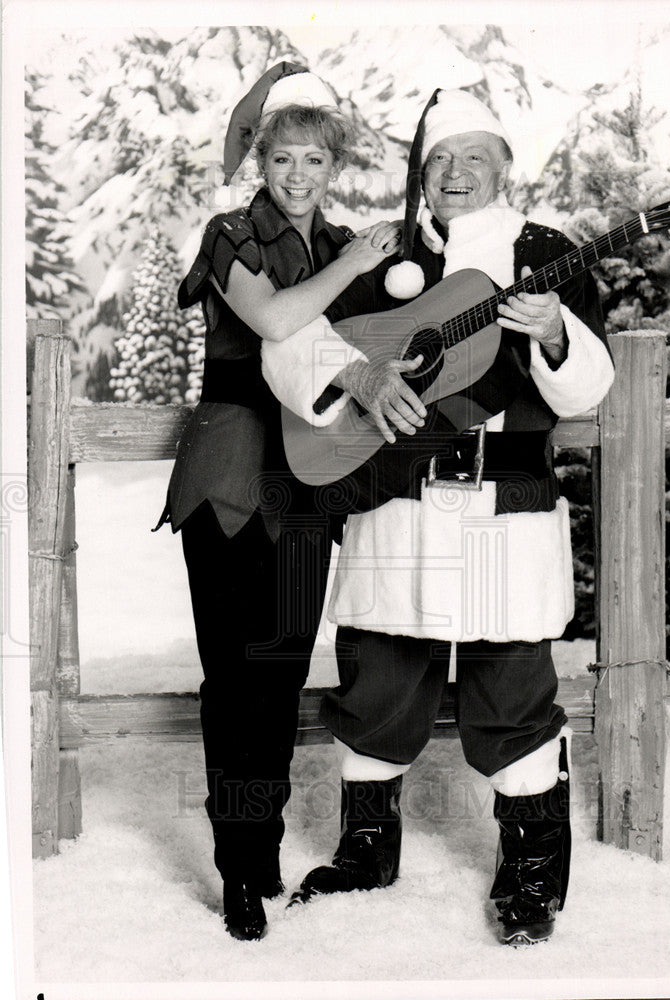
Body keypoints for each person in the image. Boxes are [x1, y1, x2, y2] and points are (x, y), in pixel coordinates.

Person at [262, 87, 615, 945]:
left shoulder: (546, 256)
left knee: (510, 689)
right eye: (440, 161)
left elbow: (590, 383)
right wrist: (361, 378)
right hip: (397, 504)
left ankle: (532, 871)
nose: (456, 175)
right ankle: (366, 847)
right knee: (378, 678)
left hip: (503, 511)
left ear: (505, 167)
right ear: (422, 174)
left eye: (475, 159)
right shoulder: (375, 254)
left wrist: (555, 334)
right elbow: (289, 344)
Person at [156, 61, 423, 942]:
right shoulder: (230, 231)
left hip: (307, 476)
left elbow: (390, 321)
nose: (299, 175)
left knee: (278, 676)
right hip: (232, 472)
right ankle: (238, 865)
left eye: (315, 158)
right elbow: (273, 323)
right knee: (234, 677)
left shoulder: (349, 240)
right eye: (284, 159)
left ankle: (260, 841)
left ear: (332, 164)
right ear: (261, 165)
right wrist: (354, 259)